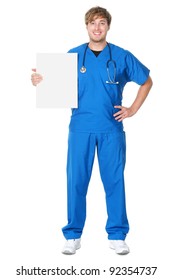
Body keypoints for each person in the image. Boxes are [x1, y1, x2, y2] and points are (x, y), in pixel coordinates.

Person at [31, 6, 153, 255]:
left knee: (114, 182)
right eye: (92, 23)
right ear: (86, 27)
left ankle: (117, 235)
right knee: (76, 181)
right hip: (80, 129)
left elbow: (147, 81)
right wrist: (40, 82)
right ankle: (73, 235)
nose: (97, 28)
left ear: (108, 26)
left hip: (111, 129)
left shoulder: (121, 55)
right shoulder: (73, 56)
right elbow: (55, 88)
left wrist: (133, 109)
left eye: (101, 23)